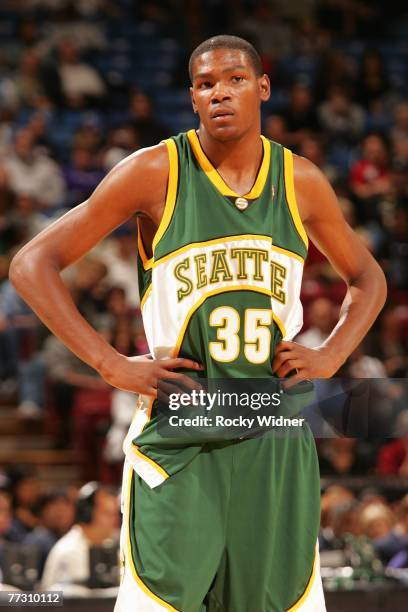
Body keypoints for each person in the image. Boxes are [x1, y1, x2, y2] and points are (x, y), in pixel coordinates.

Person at [9, 35, 386, 611]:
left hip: (273, 430)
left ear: (262, 88)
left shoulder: (300, 180)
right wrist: (109, 363)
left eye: (234, 79)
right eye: (206, 84)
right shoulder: (154, 171)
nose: (219, 93)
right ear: (192, 98)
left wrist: (332, 354)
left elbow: (368, 277)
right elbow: (31, 263)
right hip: (182, 429)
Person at [41, 482, 119, 591]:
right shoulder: (67, 549)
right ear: (87, 514)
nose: (115, 521)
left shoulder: (118, 544)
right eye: (107, 513)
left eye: (115, 514)